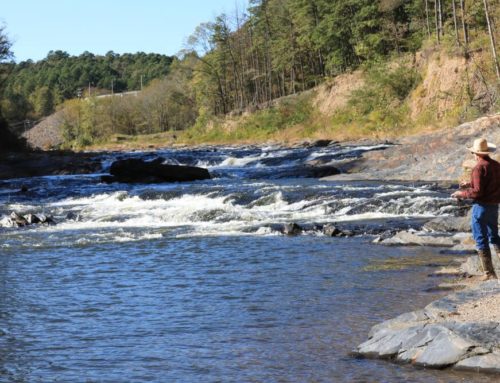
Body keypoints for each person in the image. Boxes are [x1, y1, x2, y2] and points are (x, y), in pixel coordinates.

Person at [452, 138, 500, 281]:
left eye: (473, 152)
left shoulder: (478, 168)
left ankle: (489, 273)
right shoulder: (496, 165)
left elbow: (478, 192)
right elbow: (491, 184)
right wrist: (470, 183)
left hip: (481, 207)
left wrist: (461, 193)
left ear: (476, 153)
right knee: (494, 237)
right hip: (494, 206)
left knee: (480, 238)